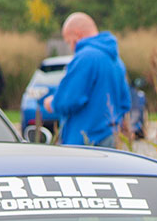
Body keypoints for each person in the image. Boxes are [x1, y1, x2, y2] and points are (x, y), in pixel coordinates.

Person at [44, 12, 131, 148]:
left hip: (85, 144)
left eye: (69, 42)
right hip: (111, 140)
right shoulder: (117, 61)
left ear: (77, 35)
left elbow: (68, 100)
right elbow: (125, 103)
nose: (71, 48)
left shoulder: (85, 58)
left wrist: (52, 103)